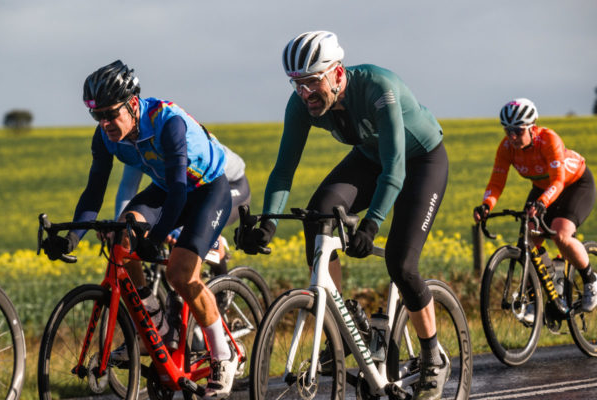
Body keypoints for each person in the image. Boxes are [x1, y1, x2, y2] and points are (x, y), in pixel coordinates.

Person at [238, 31, 450, 400]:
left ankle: (433, 355)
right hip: (370, 159)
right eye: (297, 84)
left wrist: (373, 222)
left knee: (401, 264)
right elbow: (283, 170)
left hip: (420, 162)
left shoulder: (378, 87)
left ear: (337, 74)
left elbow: (395, 167)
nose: (305, 93)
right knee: (317, 215)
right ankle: (347, 321)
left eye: (312, 82)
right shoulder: (300, 104)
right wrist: (268, 222)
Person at [42, 60, 238, 399]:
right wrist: (72, 238)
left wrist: (157, 239)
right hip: (167, 188)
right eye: (96, 116)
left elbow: (179, 192)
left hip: (205, 189)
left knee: (180, 274)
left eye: (110, 113)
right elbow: (94, 191)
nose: (104, 123)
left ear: (133, 104)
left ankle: (224, 356)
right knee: (122, 235)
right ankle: (155, 320)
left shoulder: (168, 124)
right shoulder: (106, 136)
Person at [473, 98, 597, 315]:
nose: (512, 136)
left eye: (518, 131)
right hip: (543, 187)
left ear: (532, 128)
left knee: (561, 234)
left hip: (574, 184)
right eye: (508, 130)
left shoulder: (549, 140)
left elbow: (558, 181)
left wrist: (542, 203)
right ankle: (551, 281)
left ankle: (591, 279)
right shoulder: (506, 148)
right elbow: (496, 182)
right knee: (529, 237)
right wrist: (486, 205)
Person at [115, 142, 251, 274]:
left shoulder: (174, 137)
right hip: (189, 189)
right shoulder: (138, 144)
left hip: (230, 184)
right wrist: (119, 226)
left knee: (201, 226)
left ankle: (222, 282)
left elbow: (195, 196)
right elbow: (128, 187)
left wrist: (173, 228)